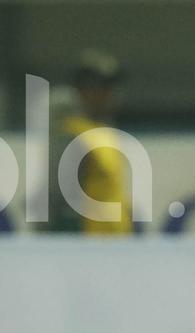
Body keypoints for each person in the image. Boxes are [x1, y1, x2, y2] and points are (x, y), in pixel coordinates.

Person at [48, 49, 132, 234]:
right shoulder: (74, 134)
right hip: (88, 248)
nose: (113, 94)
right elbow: (60, 197)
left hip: (111, 244)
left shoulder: (103, 131)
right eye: (107, 87)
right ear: (87, 90)